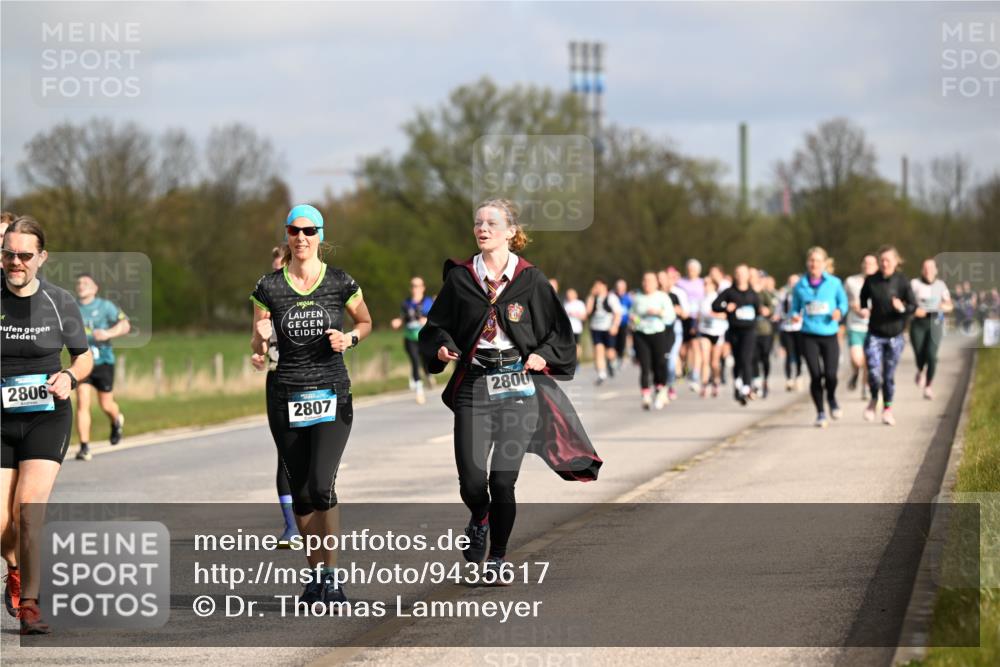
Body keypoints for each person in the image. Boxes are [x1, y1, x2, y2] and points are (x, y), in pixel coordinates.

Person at [418, 198, 601, 577]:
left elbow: (558, 334)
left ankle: (498, 559)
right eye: (478, 223)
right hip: (474, 384)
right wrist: (440, 346)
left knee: (503, 480)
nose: (482, 228)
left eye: (491, 223)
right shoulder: (461, 278)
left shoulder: (531, 280)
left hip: (519, 385)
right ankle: (479, 517)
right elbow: (436, 326)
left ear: (511, 232)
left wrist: (542, 355)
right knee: (472, 481)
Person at [250, 204, 372, 604]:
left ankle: (333, 576)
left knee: (321, 487)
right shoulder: (268, 286)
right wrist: (261, 338)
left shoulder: (340, 281)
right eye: (294, 230)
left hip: (331, 394)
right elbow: (257, 345)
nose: (301, 237)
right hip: (286, 396)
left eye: (309, 230)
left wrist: (349, 339)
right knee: (301, 493)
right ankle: (315, 574)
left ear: (320, 235)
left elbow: (365, 322)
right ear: (286, 234)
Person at [2, 216, 94, 634]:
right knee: (3, 525)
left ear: (41, 257)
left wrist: (70, 378)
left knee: (28, 513)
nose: (16, 262)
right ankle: (16, 565)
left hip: (45, 417)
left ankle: (31, 605)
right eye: (9, 254)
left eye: (24, 255)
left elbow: (84, 356)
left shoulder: (60, 301)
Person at [250, 246, 300, 548]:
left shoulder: (315, 298)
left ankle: (316, 515)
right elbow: (257, 346)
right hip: (278, 379)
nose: (277, 276)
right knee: (285, 452)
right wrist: (258, 353)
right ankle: (291, 527)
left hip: (312, 382)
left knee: (312, 454)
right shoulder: (265, 299)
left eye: (282, 268)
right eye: (274, 269)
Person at [72, 274, 129, 461]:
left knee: (106, 404)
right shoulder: (71, 307)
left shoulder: (105, 306)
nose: (81, 286)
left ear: (95, 288)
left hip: (103, 362)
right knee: (82, 402)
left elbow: (125, 324)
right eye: (79, 283)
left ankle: (116, 419)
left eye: (86, 283)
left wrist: (108, 333)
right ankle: (84, 447)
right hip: (81, 362)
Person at [790, 247, 848, 428]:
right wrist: (795, 315)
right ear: (807, 263)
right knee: (816, 375)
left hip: (829, 334)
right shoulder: (800, 285)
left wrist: (840, 311)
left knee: (831, 375)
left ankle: (831, 397)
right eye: (811, 261)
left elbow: (843, 303)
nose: (813, 264)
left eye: (817, 260)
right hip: (808, 335)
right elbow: (794, 308)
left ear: (824, 263)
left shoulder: (834, 283)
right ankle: (820, 413)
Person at [859, 245, 917, 426]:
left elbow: (913, 306)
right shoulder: (871, 280)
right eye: (881, 260)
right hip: (875, 334)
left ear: (896, 262)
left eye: (888, 260)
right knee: (874, 373)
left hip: (895, 335)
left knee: (889, 376)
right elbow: (863, 297)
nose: (884, 264)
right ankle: (874, 399)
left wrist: (902, 308)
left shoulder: (902, 281)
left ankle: (887, 410)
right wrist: (864, 309)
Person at [712, 265, 758, 405]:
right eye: (737, 273)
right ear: (734, 275)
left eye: (743, 273)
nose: (740, 276)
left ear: (748, 276)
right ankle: (738, 384)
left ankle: (746, 387)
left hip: (749, 331)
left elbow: (759, 310)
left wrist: (765, 311)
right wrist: (726, 307)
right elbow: (715, 305)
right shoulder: (729, 292)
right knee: (738, 359)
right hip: (734, 331)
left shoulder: (752, 294)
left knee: (746, 358)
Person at [628, 272, 674, 410]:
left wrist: (658, 312)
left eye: (650, 281)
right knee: (645, 365)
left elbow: (670, 316)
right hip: (641, 334)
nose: (646, 283)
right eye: (644, 280)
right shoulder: (638, 298)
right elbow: (632, 314)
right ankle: (646, 395)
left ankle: (661, 388)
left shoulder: (662, 297)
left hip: (658, 333)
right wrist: (635, 319)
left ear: (656, 283)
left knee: (659, 363)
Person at [910, 258, 953, 400]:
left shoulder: (941, 285)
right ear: (922, 270)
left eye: (931, 268)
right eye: (925, 268)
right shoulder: (914, 284)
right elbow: (907, 302)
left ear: (936, 270)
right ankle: (920, 370)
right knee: (919, 353)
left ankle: (928, 386)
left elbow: (949, 305)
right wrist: (914, 310)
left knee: (932, 356)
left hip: (935, 322)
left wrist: (943, 307)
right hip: (918, 323)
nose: (928, 271)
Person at [391, 276, 434, 404]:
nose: (415, 289)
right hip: (410, 338)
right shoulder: (406, 303)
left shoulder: (428, 302)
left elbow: (436, 318)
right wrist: (397, 322)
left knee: (426, 361)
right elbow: (403, 318)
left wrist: (427, 321)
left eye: (418, 286)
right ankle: (419, 392)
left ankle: (428, 375)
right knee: (415, 361)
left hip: (425, 338)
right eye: (413, 286)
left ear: (423, 288)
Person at [845, 254, 879, 400]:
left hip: (873, 327)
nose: (868, 265)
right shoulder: (851, 281)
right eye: (865, 262)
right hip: (855, 326)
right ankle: (855, 372)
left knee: (868, 360)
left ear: (877, 266)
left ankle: (865, 388)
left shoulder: (881, 282)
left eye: (871, 263)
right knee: (857, 359)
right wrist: (854, 306)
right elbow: (843, 299)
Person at [676, 259, 705, 392]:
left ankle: (695, 374)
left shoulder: (702, 283)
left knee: (695, 346)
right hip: (684, 317)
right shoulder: (680, 283)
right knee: (683, 350)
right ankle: (685, 367)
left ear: (698, 271)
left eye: (694, 269)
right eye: (689, 269)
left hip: (697, 317)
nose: (691, 271)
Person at [696, 275, 728, 397]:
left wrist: (713, 314)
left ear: (714, 285)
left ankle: (716, 381)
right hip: (704, 331)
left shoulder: (719, 299)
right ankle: (704, 384)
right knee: (705, 360)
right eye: (704, 283)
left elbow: (725, 315)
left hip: (717, 332)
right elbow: (700, 315)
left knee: (714, 363)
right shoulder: (702, 299)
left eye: (708, 284)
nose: (705, 286)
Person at [586, 279, 621, 385]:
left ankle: (611, 363)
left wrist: (615, 326)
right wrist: (591, 295)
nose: (597, 288)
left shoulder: (611, 297)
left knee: (610, 353)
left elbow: (617, 313)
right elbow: (588, 310)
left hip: (608, 328)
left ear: (604, 286)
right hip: (596, 328)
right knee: (598, 351)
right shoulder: (594, 298)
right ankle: (602, 374)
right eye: (595, 286)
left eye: (599, 285)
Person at [664, 267, 690, 401]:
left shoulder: (679, 293)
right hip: (657, 330)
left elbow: (686, 313)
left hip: (675, 329)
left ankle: (670, 385)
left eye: (670, 277)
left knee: (671, 358)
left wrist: (677, 311)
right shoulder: (657, 293)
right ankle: (662, 384)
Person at [751, 271, 777, 398]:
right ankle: (756, 381)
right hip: (751, 330)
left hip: (765, 330)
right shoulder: (749, 291)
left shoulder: (764, 293)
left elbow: (772, 307)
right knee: (753, 357)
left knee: (765, 357)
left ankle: (765, 379)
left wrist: (767, 311)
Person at [777, 274, 805, 391]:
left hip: (799, 328)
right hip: (787, 328)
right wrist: (782, 316)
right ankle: (788, 379)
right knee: (789, 354)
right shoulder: (784, 294)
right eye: (791, 282)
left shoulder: (803, 294)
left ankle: (798, 376)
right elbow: (778, 309)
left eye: (795, 282)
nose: (793, 284)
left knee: (798, 354)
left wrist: (800, 317)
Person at [612, 279, 633, 372]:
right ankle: (613, 359)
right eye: (618, 287)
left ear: (625, 288)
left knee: (622, 342)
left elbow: (633, 310)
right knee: (613, 342)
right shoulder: (612, 297)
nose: (619, 289)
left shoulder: (628, 298)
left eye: (621, 288)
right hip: (613, 324)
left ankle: (620, 357)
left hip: (624, 323)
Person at [562, 288, 587, 363]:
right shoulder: (565, 303)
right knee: (567, 346)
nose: (569, 296)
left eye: (571, 294)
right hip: (566, 329)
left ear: (575, 295)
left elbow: (584, 317)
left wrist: (575, 315)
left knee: (576, 346)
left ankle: (577, 361)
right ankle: (569, 361)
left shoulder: (580, 303)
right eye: (568, 294)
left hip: (576, 329)